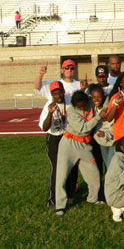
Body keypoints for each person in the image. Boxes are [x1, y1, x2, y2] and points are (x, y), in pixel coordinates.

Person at [55, 91, 106, 216]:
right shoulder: (71, 110)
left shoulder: (90, 103)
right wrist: (98, 117)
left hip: (84, 145)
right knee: (61, 175)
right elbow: (83, 128)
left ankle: (92, 198)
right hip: (69, 143)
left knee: (94, 174)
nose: (83, 108)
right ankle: (60, 206)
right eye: (80, 107)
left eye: (84, 105)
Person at [38, 81, 77, 209]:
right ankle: (53, 199)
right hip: (54, 138)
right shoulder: (48, 106)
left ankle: (70, 193)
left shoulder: (70, 101)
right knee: (56, 168)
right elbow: (44, 127)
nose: (58, 95)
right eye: (55, 93)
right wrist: (50, 114)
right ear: (51, 94)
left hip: (68, 136)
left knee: (72, 165)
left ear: (63, 91)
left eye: (59, 91)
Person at [90, 84, 115, 170]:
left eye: (99, 97)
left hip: (112, 140)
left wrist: (105, 133)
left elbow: (113, 125)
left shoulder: (109, 107)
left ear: (103, 96)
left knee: (110, 165)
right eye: (94, 97)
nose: (96, 100)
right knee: (105, 163)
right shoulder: (92, 108)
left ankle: (110, 183)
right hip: (101, 141)